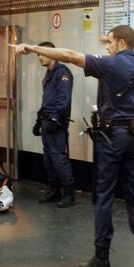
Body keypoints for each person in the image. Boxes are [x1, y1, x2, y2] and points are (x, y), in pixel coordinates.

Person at [15, 24, 134, 267]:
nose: (108, 47)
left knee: (104, 197)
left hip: (111, 138)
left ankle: (102, 260)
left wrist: (31, 47)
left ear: (122, 43)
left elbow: (69, 56)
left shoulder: (111, 64)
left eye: (110, 43)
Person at [32, 41, 75, 208]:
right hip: (46, 121)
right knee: (48, 158)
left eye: (42, 54)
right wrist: (38, 121)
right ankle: (54, 190)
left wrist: (55, 119)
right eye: (38, 55)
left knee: (59, 158)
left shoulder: (63, 73)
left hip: (56, 123)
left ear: (52, 53)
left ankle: (68, 193)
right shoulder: (49, 74)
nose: (40, 57)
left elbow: (64, 100)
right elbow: (47, 99)